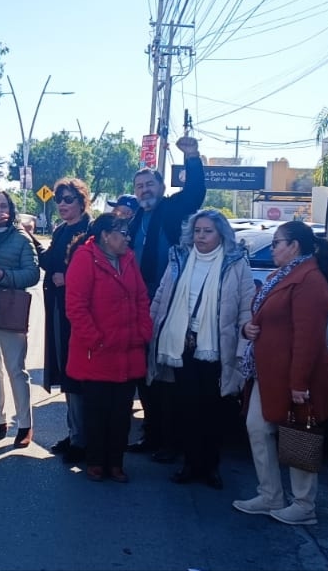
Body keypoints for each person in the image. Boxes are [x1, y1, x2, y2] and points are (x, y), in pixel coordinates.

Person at [235, 220, 328, 526]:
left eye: (277, 242)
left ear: (294, 246)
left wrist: (299, 383)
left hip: (295, 376)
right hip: (268, 372)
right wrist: (248, 328)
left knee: (298, 435)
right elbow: (263, 317)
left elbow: (309, 337)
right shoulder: (282, 275)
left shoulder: (310, 279)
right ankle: (270, 496)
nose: (274, 247)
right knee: (257, 426)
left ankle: (304, 505)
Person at [148, 209, 255, 490]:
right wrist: (151, 328)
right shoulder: (180, 258)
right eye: (197, 231)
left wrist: (244, 342)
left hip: (216, 346)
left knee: (213, 408)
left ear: (221, 234)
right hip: (181, 343)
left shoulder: (235, 263)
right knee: (186, 407)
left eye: (207, 231)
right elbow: (162, 295)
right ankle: (190, 464)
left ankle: (210, 467)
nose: (201, 236)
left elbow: (246, 305)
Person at [128, 134, 207, 460]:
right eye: (140, 186)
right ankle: (152, 432)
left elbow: (196, 193)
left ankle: (172, 442)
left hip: (173, 304)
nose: (145, 190)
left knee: (170, 374)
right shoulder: (134, 220)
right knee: (145, 375)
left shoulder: (174, 210)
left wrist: (192, 157)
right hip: (140, 306)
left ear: (161, 188)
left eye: (150, 184)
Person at [64, 213, 152, 483]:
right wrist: (96, 340)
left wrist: (142, 332)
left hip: (128, 350)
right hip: (97, 353)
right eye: (122, 232)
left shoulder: (128, 259)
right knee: (97, 411)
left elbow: (141, 298)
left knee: (121, 413)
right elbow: (76, 307)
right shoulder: (84, 258)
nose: (127, 237)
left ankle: (116, 462)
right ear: (105, 235)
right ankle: (96, 461)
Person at [0, 190, 40, 448]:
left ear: (11, 211)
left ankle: (24, 425)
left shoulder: (22, 237)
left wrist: (1, 274)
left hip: (10, 306)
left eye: (3, 206)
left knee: (16, 369)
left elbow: (32, 274)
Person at [40, 177, 91, 463]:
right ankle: (75, 434)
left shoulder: (92, 231)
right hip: (60, 309)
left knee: (79, 374)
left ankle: (83, 441)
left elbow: (97, 271)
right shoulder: (60, 231)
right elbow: (48, 262)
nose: (62, 203)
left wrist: (68, 279)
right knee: (67, 373)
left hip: (80, 314)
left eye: (69, 198)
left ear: (82, 201)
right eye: (59, 198)